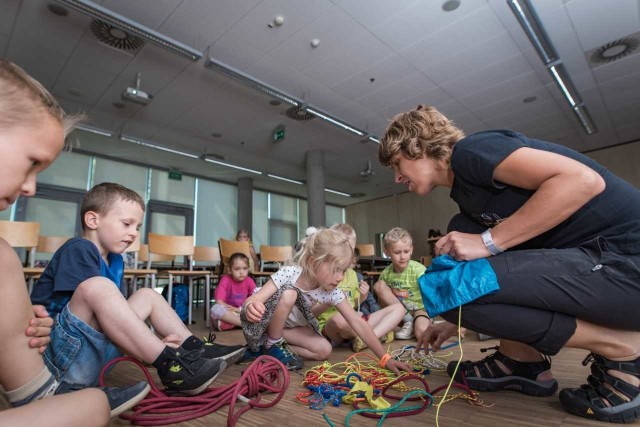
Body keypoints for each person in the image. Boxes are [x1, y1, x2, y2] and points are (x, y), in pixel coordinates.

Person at [378, 104, 640, 423]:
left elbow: (583, 181)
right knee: (452, 282)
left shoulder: (472, 152)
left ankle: (625, 349)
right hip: (603, 274)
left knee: (449, 283)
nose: (395, 177)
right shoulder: (469, 203)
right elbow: (516, 270)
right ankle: (521, 361)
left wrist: (488, 241)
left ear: (416, 147)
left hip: (625, 264)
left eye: (397, 164)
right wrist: (461, 318)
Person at [30, 182, 245, 397]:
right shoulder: (79, 249)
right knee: (98, 287)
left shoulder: (115, 260)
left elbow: (116, 320)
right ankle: (170, 364)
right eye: (126, 224)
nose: (134, 233)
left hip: (91, 354)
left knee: (147, 295)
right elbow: (88, 319)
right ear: (93, 220)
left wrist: (150, 346)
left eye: (137, 227)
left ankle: (194, 349)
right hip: (59, 363)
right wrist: (150, 347)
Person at [0, 59, 124, 426]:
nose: (30, 187)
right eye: (31, 163)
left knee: (90, 405)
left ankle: (40, 393)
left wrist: (15, 325)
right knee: (92, 407)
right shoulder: (79, 249)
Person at [240, 228, 413, 376]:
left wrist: (385, 358)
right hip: (264, 323)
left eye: (343, 271)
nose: (340, 277)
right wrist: (251, 306)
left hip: (289, 330)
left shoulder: (331, 291)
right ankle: (272, 343)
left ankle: (265, 348)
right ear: (313, 262)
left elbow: (357, 323)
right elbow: (254, 299)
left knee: (324, 350)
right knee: (289, 294)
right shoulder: (290, 273)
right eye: (335, 270)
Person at [318, 223, 403, 353]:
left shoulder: (352, 275)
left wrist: (361, 299)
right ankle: (378, 334)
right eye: (343, 248)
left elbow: (353, 308)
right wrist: (327, 303)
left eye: (351, 249)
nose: (348, 254)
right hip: (333, 327)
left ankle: (368, 337)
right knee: (339, 320)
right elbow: (311, 313)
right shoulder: (322, 274)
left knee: (399, 308)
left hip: (355, 322)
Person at [372, 227, 429, 341]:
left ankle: (416, 326)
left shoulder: (419, 270)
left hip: (420, 311)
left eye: (406, 251)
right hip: (400, 315)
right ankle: (408, 322)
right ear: (387, 253)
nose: (403, 257)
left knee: (421, 335)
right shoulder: (386, 274)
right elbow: (382, 301)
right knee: (379, 285)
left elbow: (434, 294)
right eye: (397, 252)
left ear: (411, 250)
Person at [210, 252, 257, 331]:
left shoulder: (250, 281)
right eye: (237, 269)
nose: (241, 272)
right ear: (230, 270)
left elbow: (255, 300)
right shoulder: (225, 279)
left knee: (257, 311)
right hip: (228, 311)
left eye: (245, 268)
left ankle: (228, 324)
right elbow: (219, 302)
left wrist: (239, 309)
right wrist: (231, 309)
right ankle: (244, 324)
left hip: (242, 311)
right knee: (215, 309)